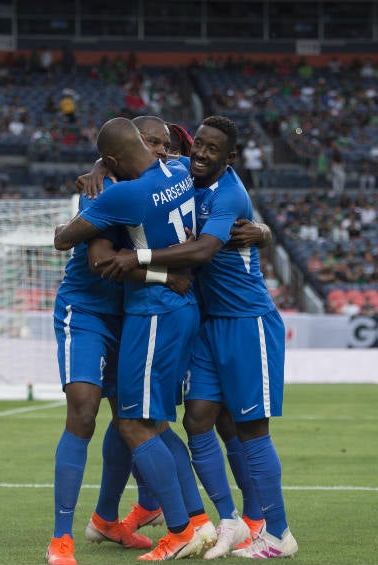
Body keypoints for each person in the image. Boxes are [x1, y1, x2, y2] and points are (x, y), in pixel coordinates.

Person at [98, 115, 298, 559]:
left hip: (246, 321)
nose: (201, 155)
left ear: (230, 159)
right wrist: (99, 168)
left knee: (249, 429)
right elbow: (140, 154)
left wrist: (139, 257)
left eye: (212, 150)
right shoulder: (182, 177)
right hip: (206, 323)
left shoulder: (229, 192)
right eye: (198, 146)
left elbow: (205, 249)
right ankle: (228, 521)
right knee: (198, 419)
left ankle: (276, 532)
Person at [53, 117, 208, 562]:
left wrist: (102, 168)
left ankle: (123, 520)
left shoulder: (128, 187)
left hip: (136, 311)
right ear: (137, 145)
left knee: (135, 421)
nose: (161, 149)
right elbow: (97, 258)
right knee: (91, 412)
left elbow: (69, 239)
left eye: (164, 143)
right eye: (153, 142)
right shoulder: (128, 185)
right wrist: (96, 176)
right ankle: (64, 538)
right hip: (88, 309)